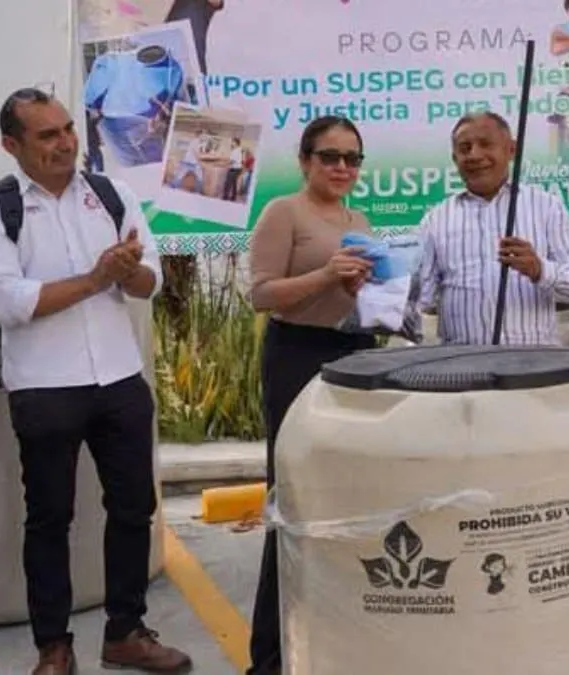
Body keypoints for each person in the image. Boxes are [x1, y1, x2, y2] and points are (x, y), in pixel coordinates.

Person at [0, 88, 190, 675]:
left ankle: (126, 632)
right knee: (49, 518)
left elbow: (152, 281)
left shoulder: (111, 194)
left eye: (67, 129)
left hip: (119, 377)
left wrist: (128, 273)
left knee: (134, 507)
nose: (66, 143)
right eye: (47, 135)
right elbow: (9, 302)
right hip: (44, 387)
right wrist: (95, 278)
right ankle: (54, 648)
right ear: (11, 144)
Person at [244, 115, 376, 675]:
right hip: (298, 355)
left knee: (346, 497)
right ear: (305, 161)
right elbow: (261, 295)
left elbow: (351, 299)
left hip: (355, 355)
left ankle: (334, 640)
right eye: (330, 157)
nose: (342, 168)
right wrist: (325, 275)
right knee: (293, 498)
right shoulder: (284, 212)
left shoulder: (358, 219)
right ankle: (269, 656)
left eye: (352, 158)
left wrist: (368, 288)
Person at [417, 112, 569, 345]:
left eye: (485, 144)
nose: (475, 155)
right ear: (455, 158)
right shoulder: (435, 220)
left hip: (533, 360)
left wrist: (539, 269)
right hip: (463, 360)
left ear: (511, 150)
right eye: (465, 148)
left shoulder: (547, 207)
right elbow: (423, 298)